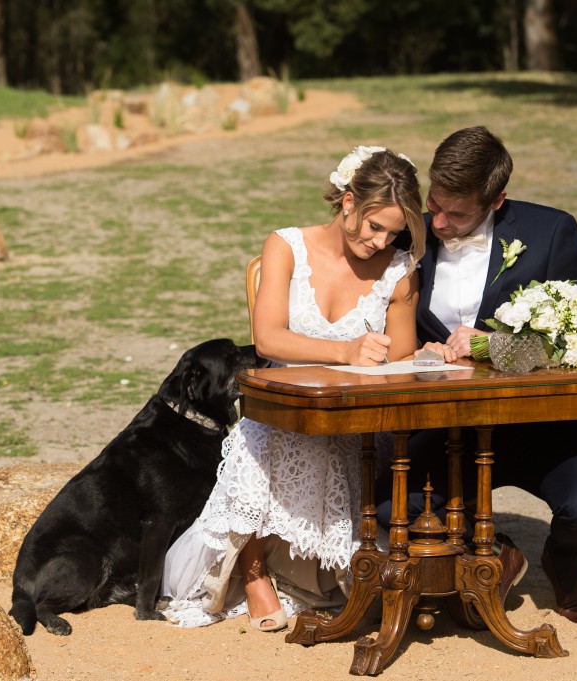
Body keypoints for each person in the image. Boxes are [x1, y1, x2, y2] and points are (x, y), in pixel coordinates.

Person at [161, 146, 426, 631]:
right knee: (273, 431)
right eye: (375, 226)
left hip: (354, 416)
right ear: (348, 203)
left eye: (394, 231)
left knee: (324, 439)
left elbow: (403, 358)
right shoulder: (285, 245)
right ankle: (253, 568)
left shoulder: (399, 269)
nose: (382, 240)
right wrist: (345, 351)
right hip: (283, 406)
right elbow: (268, 338)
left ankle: (322, 566)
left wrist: (396, 358)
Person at [385, 126, 577, 626]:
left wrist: (494, 345)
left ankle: (563, 563)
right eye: (435, 204)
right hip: (453, 426)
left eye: (459, 213)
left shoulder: (551, 233)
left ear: (497, 201)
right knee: (389, 504)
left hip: (547, 424)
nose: (441, 222)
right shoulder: (409, 234)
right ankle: (497, 551)